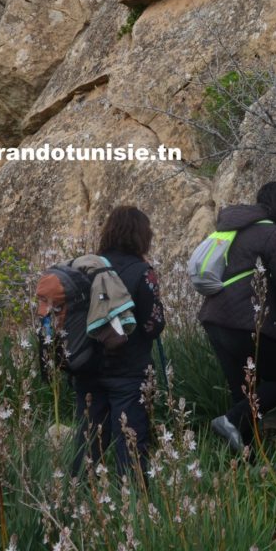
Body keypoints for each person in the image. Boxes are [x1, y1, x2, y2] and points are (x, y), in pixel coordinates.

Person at [198, 181, 276, 452]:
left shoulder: (232, 228)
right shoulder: (275, 234)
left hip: (214, 318)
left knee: (244, 394)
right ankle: (230, 421)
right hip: (247, 322)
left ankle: (247, 463)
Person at [72, 206, 165, 483]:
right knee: (131, 440)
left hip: (87, 367)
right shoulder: (142, 271)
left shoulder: (88, 267)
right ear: (141, 236)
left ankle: (80, 499)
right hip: (128, 369)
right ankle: (135, 502)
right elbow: (154, 323)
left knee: (88, 439)